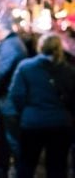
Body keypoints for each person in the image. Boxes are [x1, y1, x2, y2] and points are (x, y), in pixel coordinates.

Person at [7, 34, 75, 178]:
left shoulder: (25, 67)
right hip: (60, 123)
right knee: (57, 167)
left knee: (26, 165)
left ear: (40, 46)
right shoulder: (68, 71)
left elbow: (16, 95)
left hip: (32, 123)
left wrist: (25, 113)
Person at [0, 18, 28, 178]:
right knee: (7, 141)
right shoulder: (12, 44)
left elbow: (1, 73)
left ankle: (17, 172)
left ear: (1, 27)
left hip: (10, 102)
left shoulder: (10, 46)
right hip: (10, 101)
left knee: (11, 141)